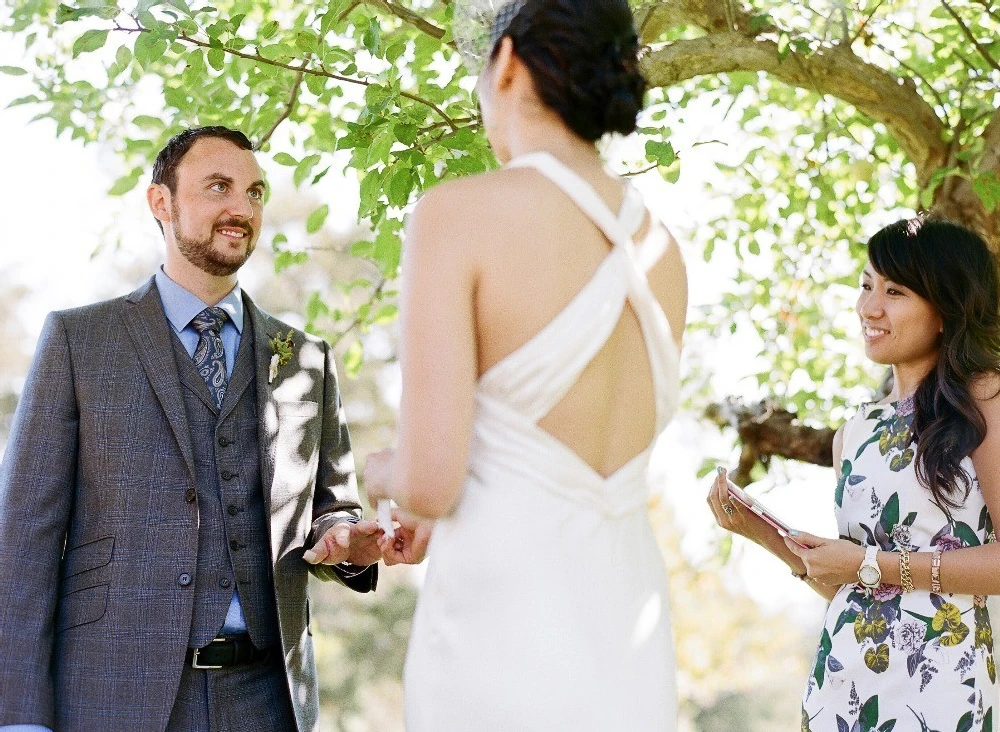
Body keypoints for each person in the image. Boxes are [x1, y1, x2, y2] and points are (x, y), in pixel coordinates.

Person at [0, 126, 427, 732]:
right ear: (162, 203)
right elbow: (24, 541)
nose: (240, 208)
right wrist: (19, 718)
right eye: (218, 187)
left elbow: (332, 507)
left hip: (267, 699)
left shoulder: (303, 357)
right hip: (112, 696)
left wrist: (349, 542)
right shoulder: (80, 341)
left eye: (254, 192)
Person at [362, 0, 688, 729]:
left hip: (502, 623)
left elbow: (428, 482)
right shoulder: (664, 251)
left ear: (506, 61)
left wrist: (377, 472)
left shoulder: (459, 214)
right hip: (627, 626)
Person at [709, 217, 1000, 730]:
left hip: (944, 692)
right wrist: (772, 541)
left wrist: (870, 564)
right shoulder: (855, 430)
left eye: (895, 291)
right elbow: (862, 588)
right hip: (841, 690)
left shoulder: (985, 400)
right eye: (866, 286)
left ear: (945, 310)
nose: (870, 307)